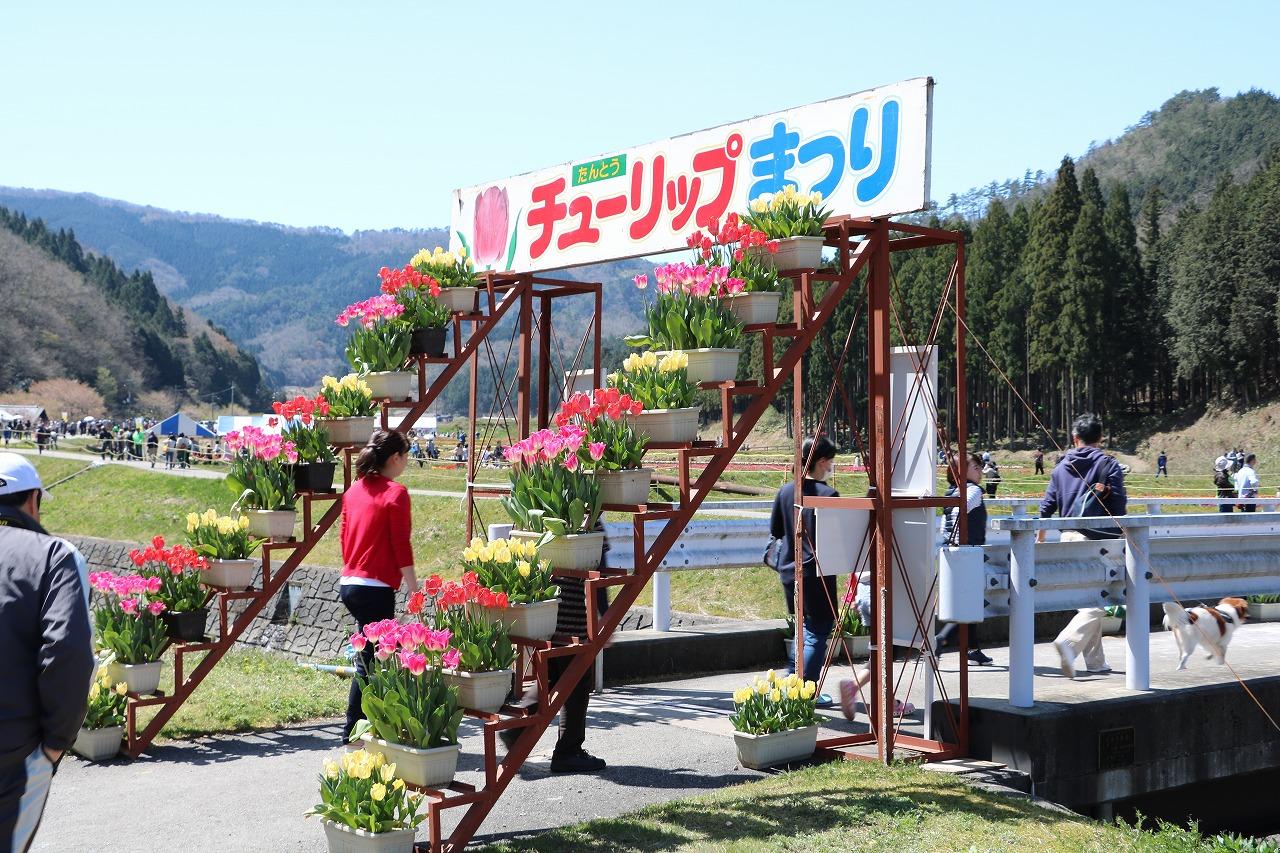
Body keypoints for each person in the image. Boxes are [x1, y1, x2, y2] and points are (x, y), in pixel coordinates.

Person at [0, 453, 94, 851]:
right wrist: (57, 743)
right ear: (33, 500)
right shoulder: (55, 556)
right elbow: (68, 651)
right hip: (14, 752)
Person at [500, 522, 610, 773]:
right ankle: (568, 750)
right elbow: (598, 570)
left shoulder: (545, 516)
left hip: (545, 609)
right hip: (574, 615)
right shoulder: (589, 520)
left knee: (550, 676)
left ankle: (516, 729)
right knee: (578, 682)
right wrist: (604, 614)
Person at [338, 429, 417, 742]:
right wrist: (414, 588)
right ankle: (355, 728)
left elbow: (345, 540)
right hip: (375, 587)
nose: (406, 462)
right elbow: (401, 545)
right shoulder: (396, 493)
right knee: (374, 660)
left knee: (374, 656)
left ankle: (369, 725)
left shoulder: (353, 491)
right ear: (395, 458)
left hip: (350, 583)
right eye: (406, 456)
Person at [1039, 413, 1127, 679]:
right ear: (1100, 438)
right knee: (1104, 599)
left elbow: (1047, 507)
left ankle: (1096, 662)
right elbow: (1120, 506)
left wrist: (1040, 537)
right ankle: (1068, 642)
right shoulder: (1109, 465)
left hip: (1068, 539)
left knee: (1088, 600)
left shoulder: (1059, 467)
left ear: (1075, 438)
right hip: (1100, 540)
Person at [769, 435, 839, 706]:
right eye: (830, 461)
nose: (831, 466)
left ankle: (791, 683)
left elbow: (776, 531)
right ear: (821, 461)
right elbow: (836, 539)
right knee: (817, 632)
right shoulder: (828, 495)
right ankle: (806, 693)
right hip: (817, 573)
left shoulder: (786, 491)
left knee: (803, 629)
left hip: (788, 570)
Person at [939, 453, 994, 666]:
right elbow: (961, 508)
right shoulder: (973, 491)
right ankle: (941, 639)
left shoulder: (950, 492)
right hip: (968, 552)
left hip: (952, 551)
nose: (980, 471)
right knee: (970, 603)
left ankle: (973, 648)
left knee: (967, 601)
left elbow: (948, 518)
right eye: (976, 467)